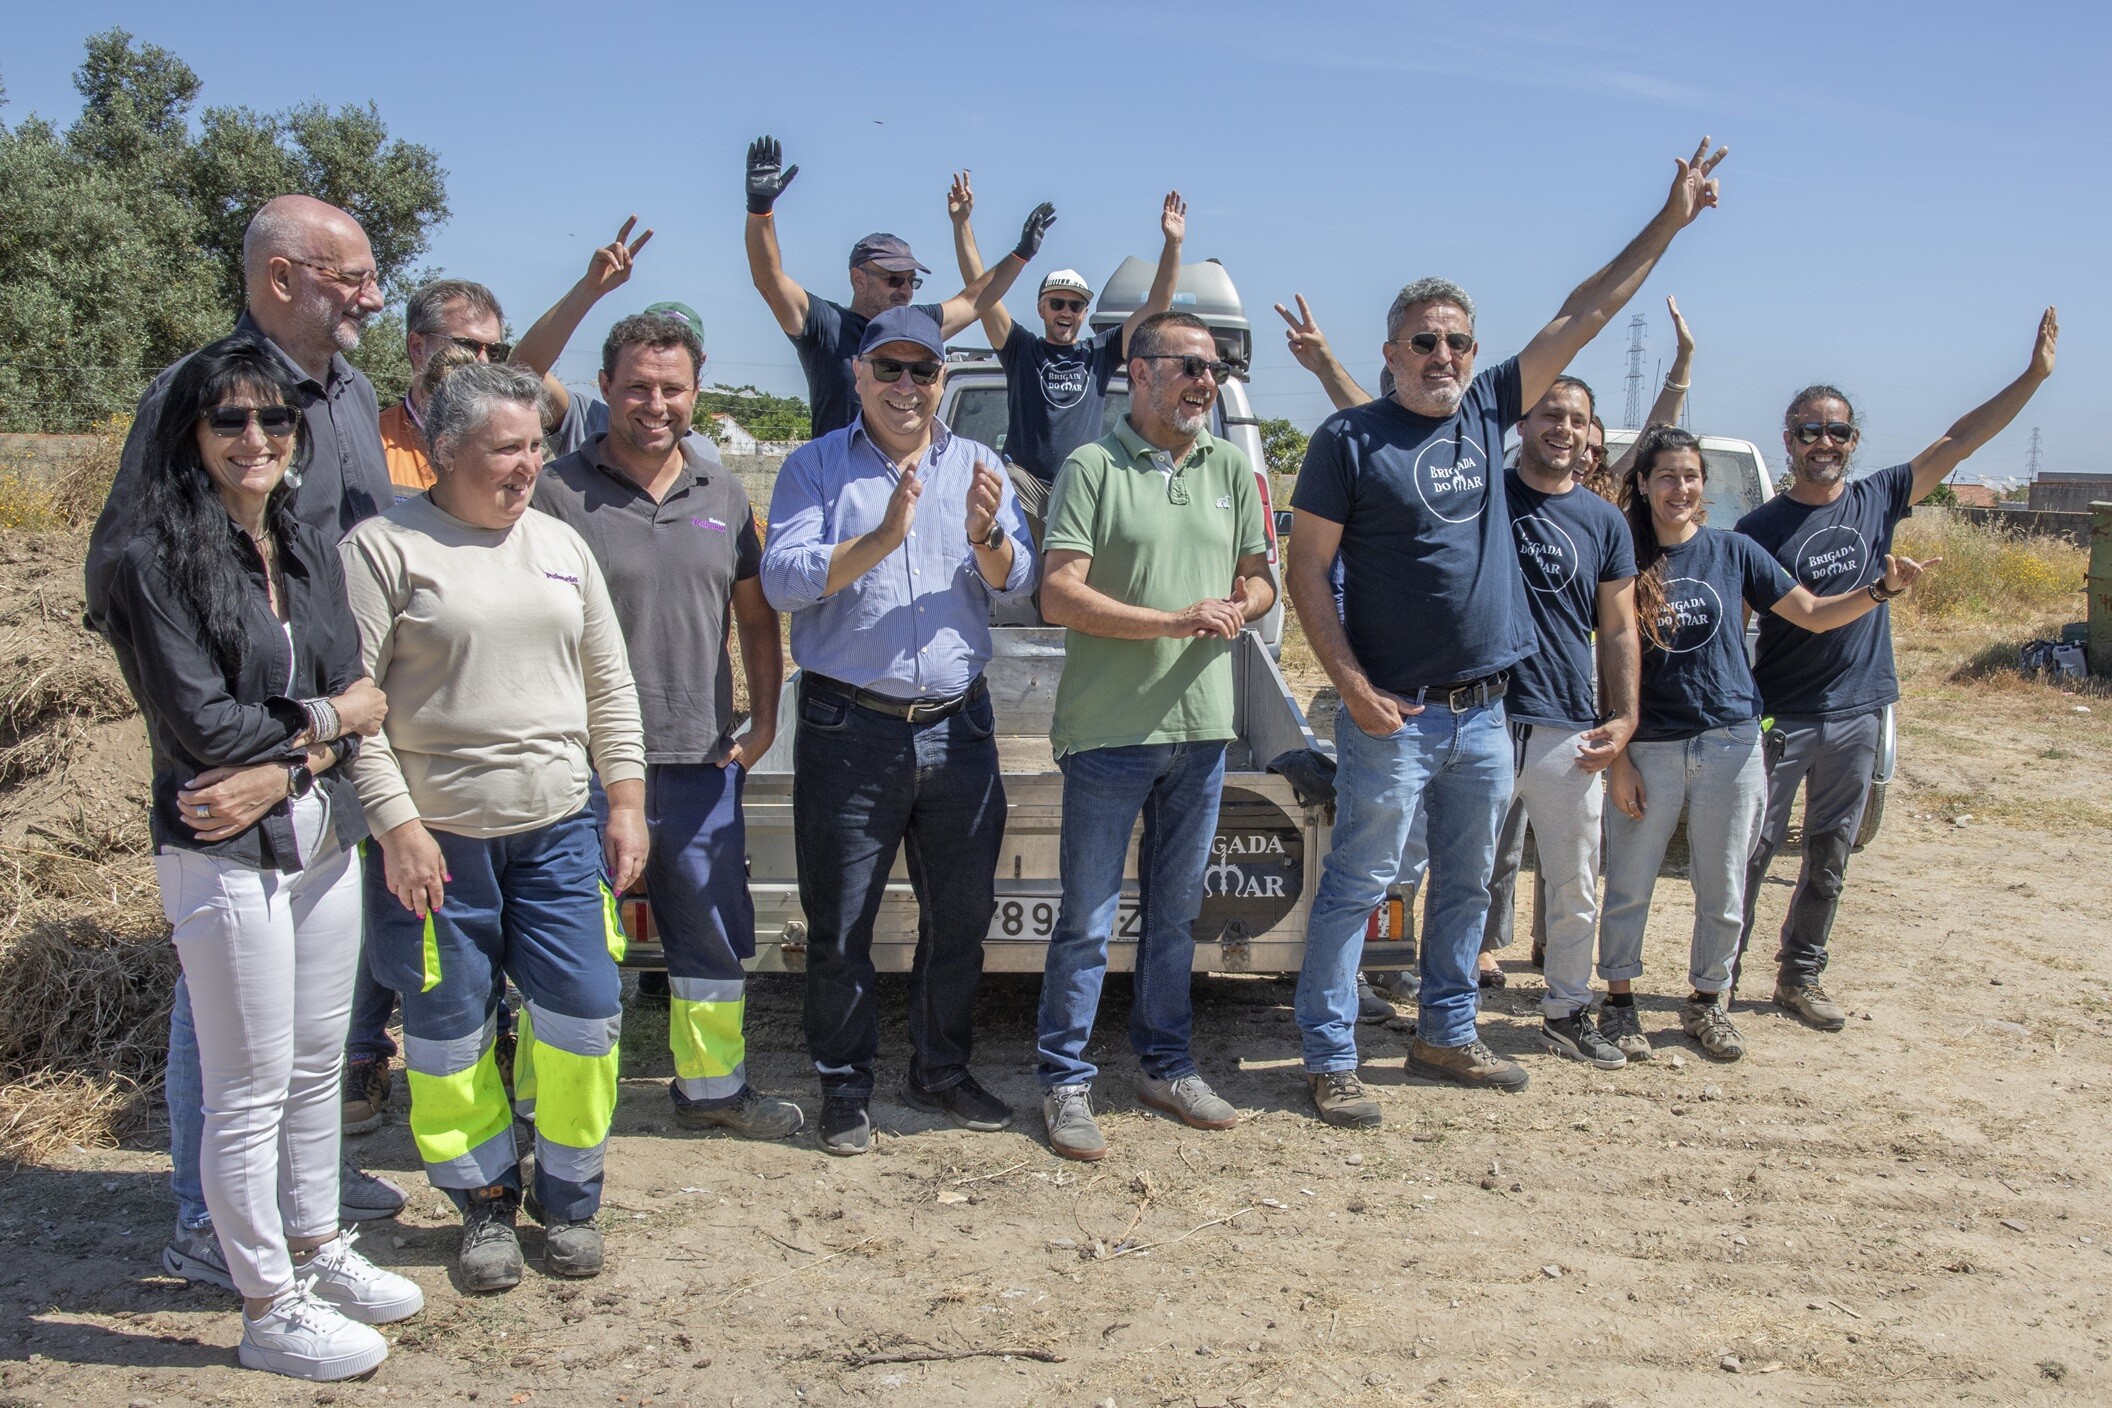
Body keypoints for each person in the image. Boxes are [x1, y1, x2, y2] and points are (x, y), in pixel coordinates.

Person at [1286, 138, 1729, 1126]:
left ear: (1475, 358)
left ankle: (1447, 1029)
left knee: (1464, 888)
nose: (1443, 357)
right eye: (1423, 342)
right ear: (1392, 351)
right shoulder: (1348, 441)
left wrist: (1670, 219)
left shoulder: (1490, 412)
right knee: (1358, 883)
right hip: (1390, 715)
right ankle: (1328, 1052)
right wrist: (1352, 686)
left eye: (1457, 342)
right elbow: (1305, 572)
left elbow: (1589, 308)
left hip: (1485, 715)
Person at [80, 194, 408, 1290]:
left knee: (310, 1037)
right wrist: (256, 738)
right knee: (227, 1023)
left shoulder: (349, 393)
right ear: (280, 280)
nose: (372, 296)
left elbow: (336, 564)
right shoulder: (193, 394)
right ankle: (204, 1221)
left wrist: (327, 731)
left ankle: (298, 1212)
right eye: (350, 277)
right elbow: (121, 578)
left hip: (329, 749)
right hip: (235, 767)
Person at [340, 363, 648, 1291]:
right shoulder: (384, 548)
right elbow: (351, 710)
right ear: (445, 451)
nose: (528, 466)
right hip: (437, 844)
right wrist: (396, 825)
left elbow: (609, 683)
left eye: (536, 446)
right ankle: (481, 1206)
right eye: (507, 448)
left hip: (557, 828)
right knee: (447, 1030)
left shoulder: (558, 544)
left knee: (585, 1015)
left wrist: (625, 800)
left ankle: (569, 1194)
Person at [760, 307, 1034, 1157]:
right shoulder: (814, 468)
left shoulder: (980, 465)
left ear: (944, 379)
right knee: (840, 920)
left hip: (959, 727)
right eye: (891, 369)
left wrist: (988, 536)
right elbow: (782, 581)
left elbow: (1019, 581)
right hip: (851, 728)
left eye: (924, 370)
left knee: (960, 915)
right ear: (858, 374)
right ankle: (845, 1087)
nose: (907, 387)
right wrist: (882, 536)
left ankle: (940, 1071)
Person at [1734, 309, 2058, 1027]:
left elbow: (1962, 437)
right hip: (1781, 713)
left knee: (1830, 854)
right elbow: (1737, 631)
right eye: (1810, 431)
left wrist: (2031, 377)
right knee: (1750, 852)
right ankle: (1717, 981)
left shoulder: (1878, 497)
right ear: (1787, 442)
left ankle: (1799, 977)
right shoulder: (1756, 532)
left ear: (1854, 443)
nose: (1825, 442)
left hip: (1858, 707)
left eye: (1838, 431)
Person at [533, 312, 804, 1139]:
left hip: (698, 756)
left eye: (673, 388)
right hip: (576, 762)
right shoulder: (553, 491)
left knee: (713, 940)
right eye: (638, 386)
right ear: (606, 387)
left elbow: (755, 618)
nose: (656, 403)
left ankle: (712, 1093)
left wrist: (759, 723)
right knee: (566, 943)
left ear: (697, 390)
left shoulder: (722, 493)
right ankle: (554, 1107)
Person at [1600, 426, 1934, 1061]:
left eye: (1691, 476)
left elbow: (1810, 611)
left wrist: (1882, 591)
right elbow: (1608, 664)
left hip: (1732, 743)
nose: (1680, 487)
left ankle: (1708, 1003)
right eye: (1666, 475)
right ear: (1642, 483)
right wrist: (1618, 757)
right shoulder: (1623, 559)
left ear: (1705, 486)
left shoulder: (1735, 550)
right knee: (1629, 883)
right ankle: (1619, 1004)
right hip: (1652, 748)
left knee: (1723, 886)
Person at [1033, 312, 1275, 1160]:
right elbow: (1058, 596)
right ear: (1139, 373)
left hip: (1202, 731)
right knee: (1089, 920)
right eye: (1190, 367)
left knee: (1175, 917)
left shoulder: (1229, 469)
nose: (1205, 382)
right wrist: (1175, 620)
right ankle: (1064, 1081)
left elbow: (1260, 581)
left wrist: (1239, 606)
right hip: (1108, 734)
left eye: (1214, 369)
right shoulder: (1092, 468)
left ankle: (1165, 1066)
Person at [743, 135, 1043, 437]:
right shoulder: (828, 327)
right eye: (894, 279)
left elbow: (974, 302)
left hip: (906, 478)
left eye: (912, 280)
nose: (906, 290)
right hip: (841, 479)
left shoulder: (916, 326)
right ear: (858, 279)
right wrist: (760, 208)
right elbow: (769, 281)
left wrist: (1021, 254)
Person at [947, 173, 1187, 511]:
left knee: (1076, 558)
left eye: (1075, 305)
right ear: (1041, 308)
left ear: (1085, 312)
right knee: (1009, 488)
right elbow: (979, 292)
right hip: (1025, 486)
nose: (1065, 311)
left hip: (1079, 485)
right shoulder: (1021, 348)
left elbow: (1156, 308)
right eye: (1056, 303)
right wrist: (962, 224)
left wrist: (1173, 244)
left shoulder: (1099, 352)